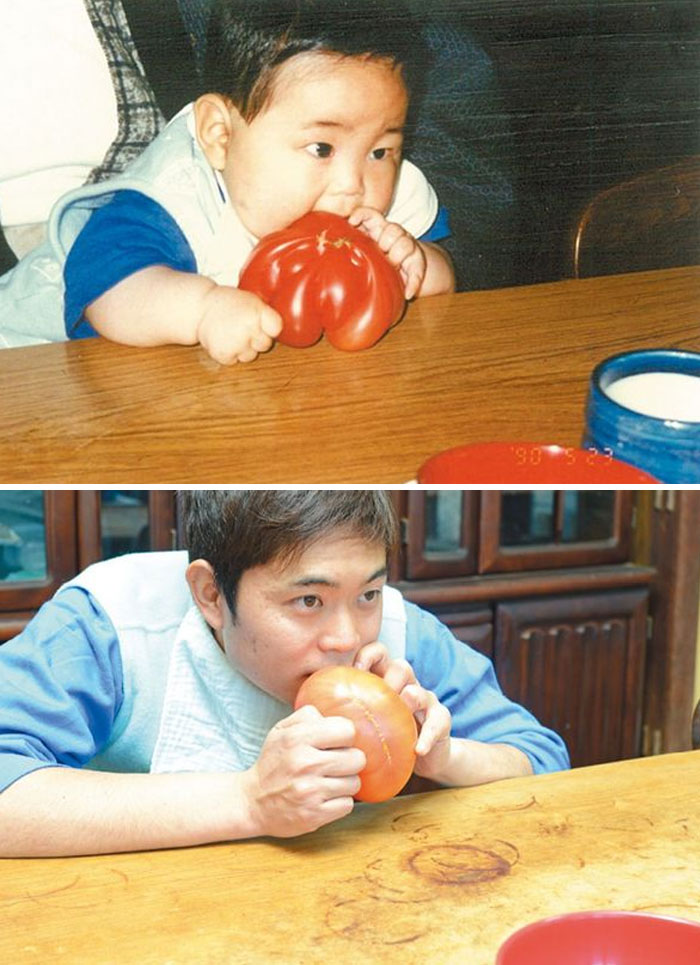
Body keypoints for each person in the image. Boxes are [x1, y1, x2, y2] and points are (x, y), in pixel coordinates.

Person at [0, 490, 569, 858]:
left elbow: (544, 760)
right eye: (308, 601)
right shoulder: (108, 621)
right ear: (210, 594)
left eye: (368, 592)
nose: (347, 637)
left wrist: (444, 757)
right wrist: (249, 801)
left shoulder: (401, 630)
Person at [0, 0, 455, 360]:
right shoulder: (175, 199)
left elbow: (443, 279)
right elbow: (107, 292)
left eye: (380, 151)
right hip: (36, 367)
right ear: (221, 135)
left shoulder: (380, 193)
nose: (354, 184)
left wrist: (415, 264)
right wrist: (203, 309)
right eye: (321, 148)